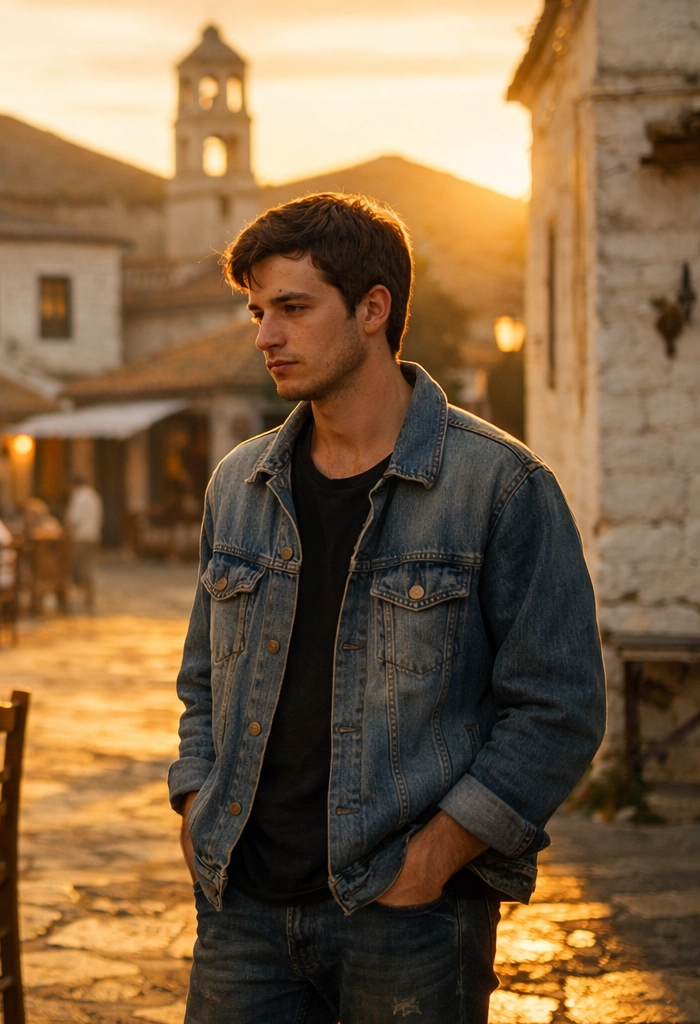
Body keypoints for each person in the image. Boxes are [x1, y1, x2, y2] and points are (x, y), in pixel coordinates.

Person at [171, 192, 605, 1024]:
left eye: (293, 308)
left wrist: (431, 864)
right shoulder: (240, 483)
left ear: (375, 309)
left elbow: (559, 706)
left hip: (407, 913)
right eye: (259, 311)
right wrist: (196, 801)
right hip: (242, 908)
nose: (265, 336)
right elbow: (202, 677)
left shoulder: (501, 488)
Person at [65, 476, 103, 613]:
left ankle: (81, 593)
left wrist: (66, 532)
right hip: (93, 536)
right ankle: (88, 595)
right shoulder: (94, 496)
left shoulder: (79, 497)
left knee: (77, 565)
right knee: (88, 565)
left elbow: (74, 519)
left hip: (80, 537)